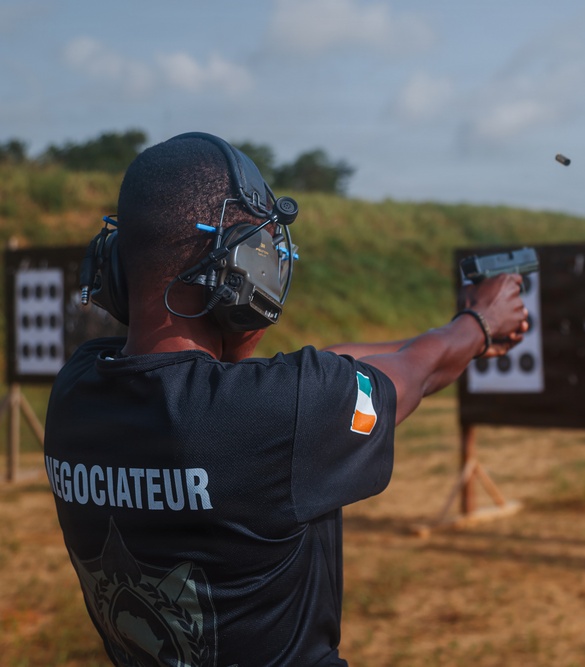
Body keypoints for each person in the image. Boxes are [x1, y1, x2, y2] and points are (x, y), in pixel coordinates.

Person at [43, 132, 528, 666]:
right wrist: (479, 323)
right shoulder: (276, 412)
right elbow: (414, 373)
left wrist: (451, 330)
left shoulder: (77, 389)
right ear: (235, 272)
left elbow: (308, 378)